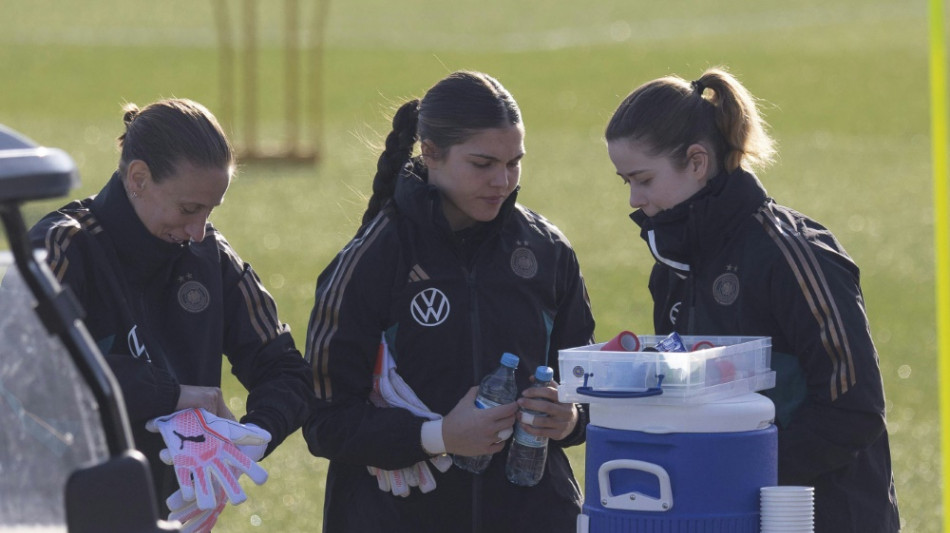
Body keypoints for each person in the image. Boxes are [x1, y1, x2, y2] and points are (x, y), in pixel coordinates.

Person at [603, 67, 900, 532]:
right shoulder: (673, 265)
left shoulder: (792, 255)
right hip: (724, 511)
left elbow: (853, 411)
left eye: (643, 178)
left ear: (697, 162)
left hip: (825, 514)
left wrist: (737, 473)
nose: (635, 199)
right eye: (626, 183)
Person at [303, 71, 596, 533]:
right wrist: (438, 437)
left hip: (534, 516)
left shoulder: (547, 251)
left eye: (515, 162)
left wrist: (570, 419)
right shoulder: (374, 257)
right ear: (431, 154)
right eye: (483, 164)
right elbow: (324, 420)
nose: (503, 181)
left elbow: (590, 390)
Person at [28, 98, 314, 522]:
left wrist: (253, 435)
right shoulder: (64, 246)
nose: (199, 230)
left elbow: (286, 369)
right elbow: (29, 372)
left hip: (177, 518)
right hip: (60, 512)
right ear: (138, 178)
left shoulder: (209, 255)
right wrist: (172, 396)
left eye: (211, 211)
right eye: (188, 209)